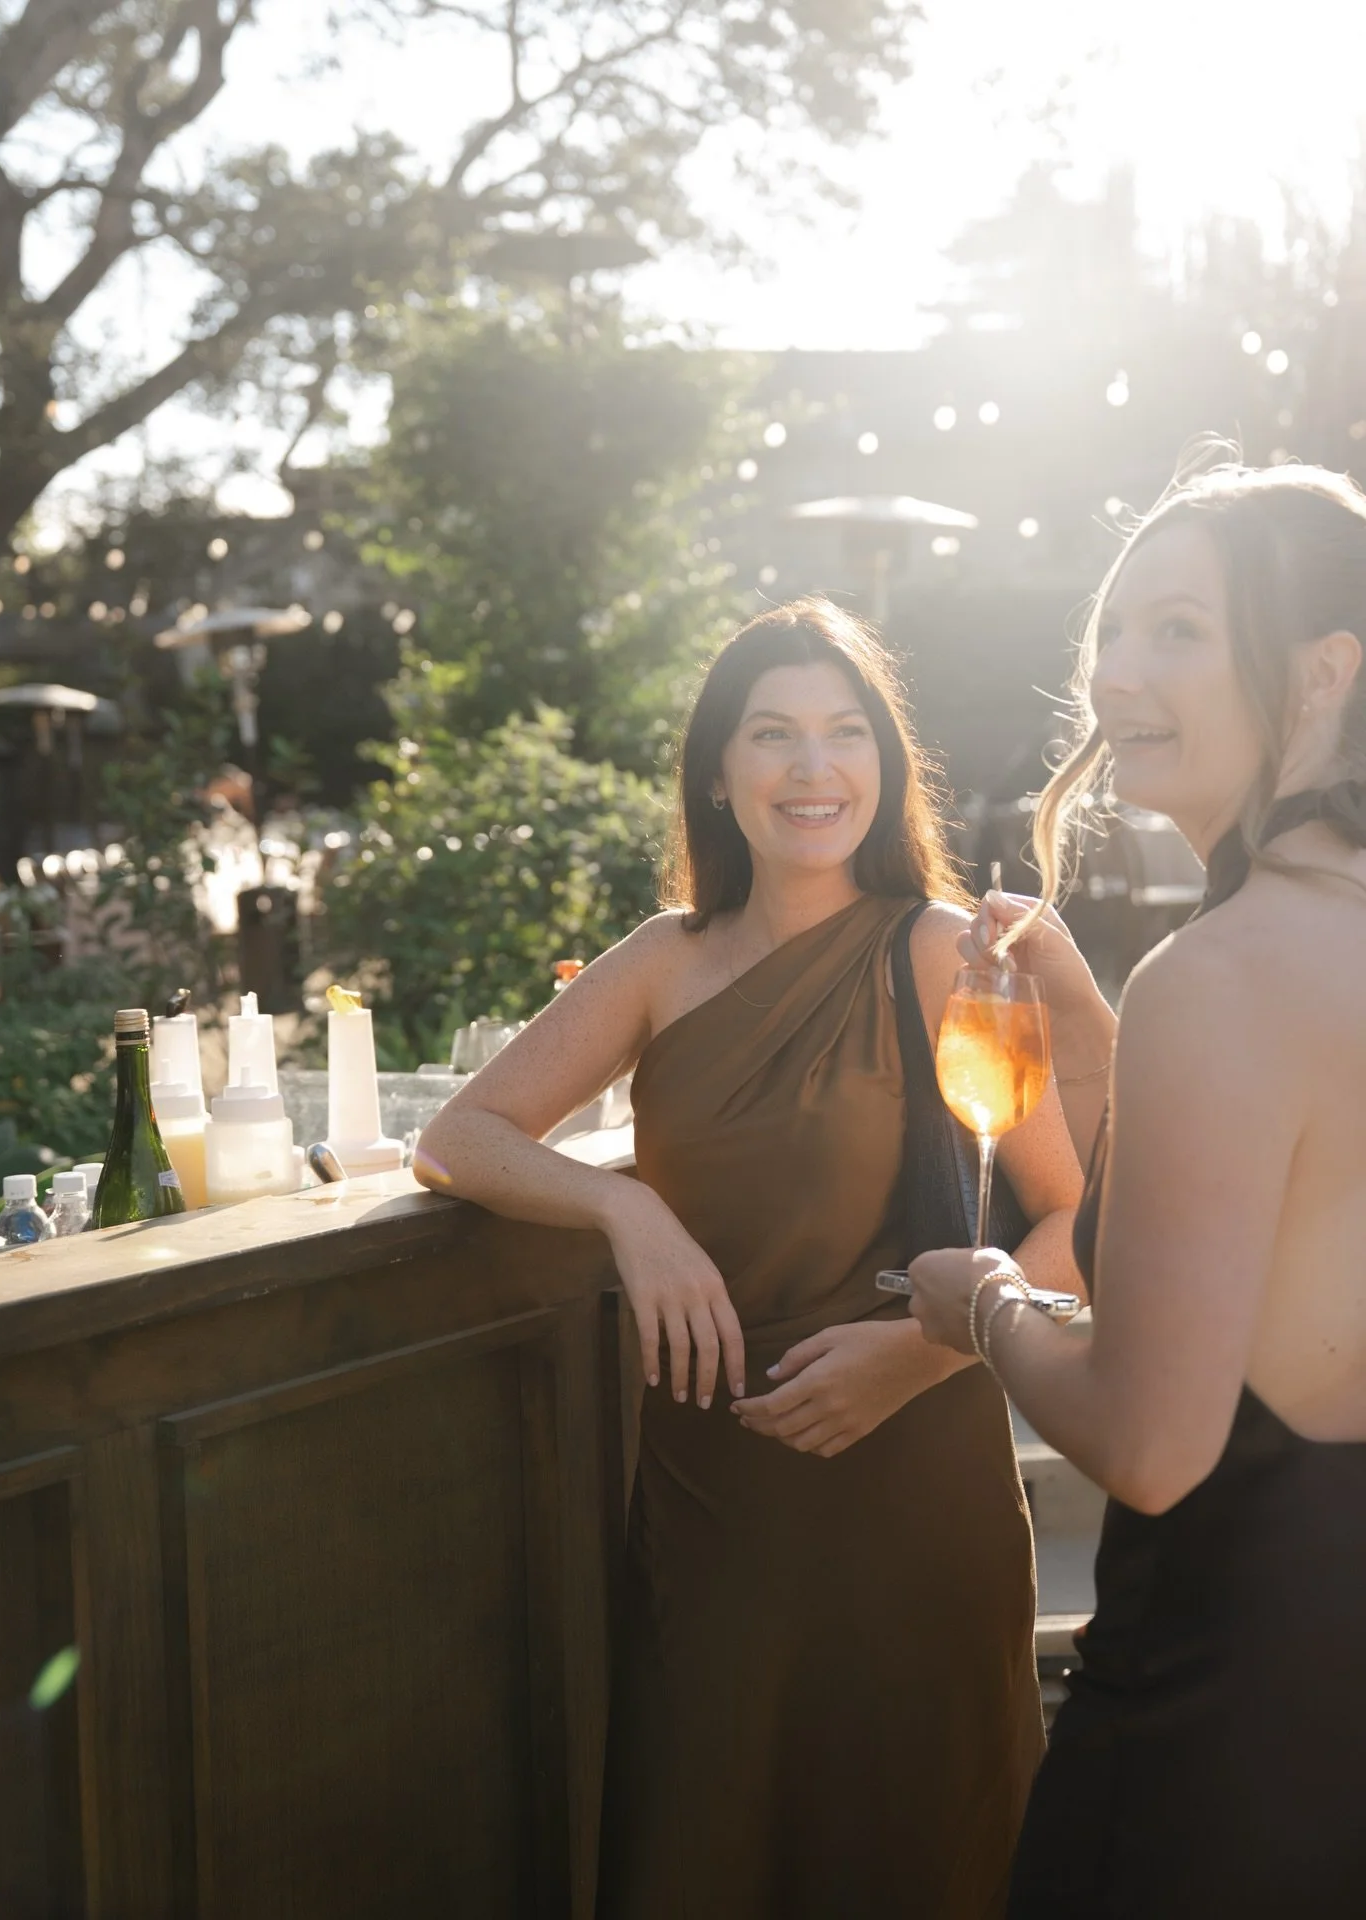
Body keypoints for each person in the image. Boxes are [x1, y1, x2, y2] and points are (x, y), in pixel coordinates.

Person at [414, 598, 1082, 1919]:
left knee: (921, 1854)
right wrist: (629, 1214)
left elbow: (1075, 1221)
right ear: (718, 775)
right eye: (771, 734)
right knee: (709, 1851)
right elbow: (462, 1136)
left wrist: (920, 1349)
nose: (811, 767)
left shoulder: (946, 948)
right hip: (716, 1498)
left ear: (885, 768)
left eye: (844, 734)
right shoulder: (663, 962)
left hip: (919, 1479)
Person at [907, 459, 1366, 1918]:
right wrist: (1104, 1026)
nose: (1117, 673)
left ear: (1322, 675)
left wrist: (979, 1303)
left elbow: (1155, 1445)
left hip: (1217, 1738)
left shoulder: (1222, 981)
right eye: (1112, 630)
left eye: (1177, 628)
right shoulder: (1286, 963)